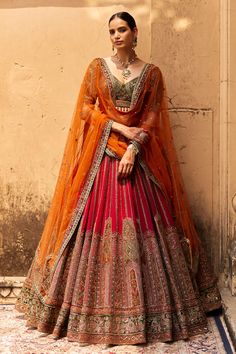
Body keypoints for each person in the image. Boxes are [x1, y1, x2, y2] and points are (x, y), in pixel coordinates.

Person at [15, 11, 221, 346]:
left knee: (146, 229)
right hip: (102, 159)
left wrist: (134, 148)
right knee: (92, 227)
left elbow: (153, 116)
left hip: (136, 162)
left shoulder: (151, 74)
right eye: (111, 30)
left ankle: (150, 312)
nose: (116, 35)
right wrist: (118, 127)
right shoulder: (97, 68)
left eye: (122, 29)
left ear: (134, 31)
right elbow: (86, 109)